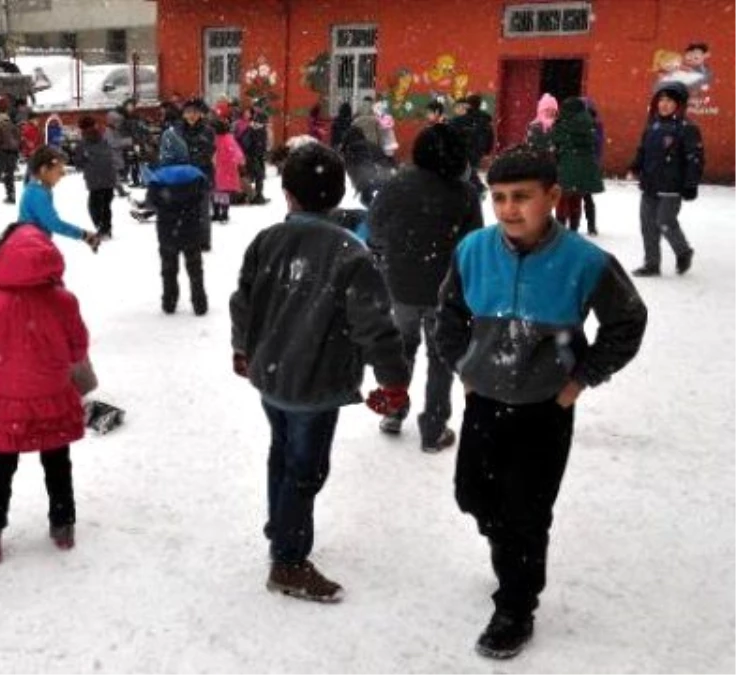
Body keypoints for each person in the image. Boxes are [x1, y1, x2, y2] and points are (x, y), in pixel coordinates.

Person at [435, 145, 647, 659]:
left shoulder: (586, 261)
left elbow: (627, 322)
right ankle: (503, 539)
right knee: (473, 495)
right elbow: (447, 316)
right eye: (499, 197)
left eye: (522, 197)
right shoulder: (472, 251)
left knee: (527, 513)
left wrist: (579, 381)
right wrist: (464, 369)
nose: (509, 209)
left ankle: (516, 605)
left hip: (544, 411)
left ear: (552, 196)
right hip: (484, 401)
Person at [230, 142, 411, 603]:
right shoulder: (351, 254)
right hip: (316, 384)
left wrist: (242, 348)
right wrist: (394, 380)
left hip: (272, 376)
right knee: (305, 468)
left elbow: (243, 303)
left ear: (287, 195)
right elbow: (376, 326)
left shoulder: (268, 241)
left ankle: (281, 521)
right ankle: (288, 560)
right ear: (337, 195)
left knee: (282, 450)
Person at [0, 223, 92, 564]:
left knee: (1, 467)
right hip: (53, 395)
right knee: (57, 462)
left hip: (7, 400)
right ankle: (63, 525)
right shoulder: (64, 300)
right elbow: (78, 347)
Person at [368, 123, 483, 450]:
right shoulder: (464, 194)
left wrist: (396, 247)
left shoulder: (397, 184)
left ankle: (393, 410)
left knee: (401, 349)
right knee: (441, 357)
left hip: (400, 285)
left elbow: (374, 226)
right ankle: (433, 429)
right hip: (444, 291)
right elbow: (474, 244)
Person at [628, 81, 703, 277]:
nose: (664, 104)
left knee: (664, 221)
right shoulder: (652, 125)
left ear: (679, 104)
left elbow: (694, 158)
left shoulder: (687, 128)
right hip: (650, 184)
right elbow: (642, 150)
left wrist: (690, 184)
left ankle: (683, 251)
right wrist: (636, 165)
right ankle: (652, 264)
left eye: (669, 100)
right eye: (661, 100)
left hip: (672, 186)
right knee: (647, 224)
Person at [143, 126, 209, 315]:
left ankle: (169, 301)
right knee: (195, 268)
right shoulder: (195, 173)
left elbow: (152, 202)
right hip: (191, 227)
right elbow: (203, 195)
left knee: (168, 268)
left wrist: (167, 202)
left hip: (167, 230)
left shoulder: (157, 177)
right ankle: (200, 302)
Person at [18, 146, 101, 250]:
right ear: (44, 170)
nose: (63, 174)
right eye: (59, 170)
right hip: (31, 248)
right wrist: (83, 235)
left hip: (33, 244)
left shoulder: (37, 188)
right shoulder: (37, 193)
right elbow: (54, 224)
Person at [550, 97, 604, 235]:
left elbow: (555, 139)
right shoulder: (589, 123)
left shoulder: (564, 124)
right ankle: (574, 228)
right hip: (585, 169)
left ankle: (560, 229)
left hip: (567, 167)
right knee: (578, 199)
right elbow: (596, 143)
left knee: (563, 199)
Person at [179, 99, 216, 250]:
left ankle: (203, 241)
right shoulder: (179, 130)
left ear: (200, 114)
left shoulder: (207, 130)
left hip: (202, 175)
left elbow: (207, 152)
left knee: (202, 210)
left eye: (194, 112)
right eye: (188, 112)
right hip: (183, 177)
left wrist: (189, 159)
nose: (191, 115)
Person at [75, 116, 119, 240]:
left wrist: (85, 164)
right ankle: (107, 229)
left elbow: (78, 162)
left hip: (95, 179)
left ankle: (101, 227)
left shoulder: (82, 143)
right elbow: (111, 154)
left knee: (94, 205)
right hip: (109, 176)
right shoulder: (103, 138)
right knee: (106, 205)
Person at [450, 94, 495, 198]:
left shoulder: (461, 120)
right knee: (469, 169)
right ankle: (476, 189)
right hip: (478, 150)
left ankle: (477, 189)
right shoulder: (485, 120)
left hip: (465, 149)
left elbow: (452, 132)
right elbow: (490, 136)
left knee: (465, 169)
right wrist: (486, 151)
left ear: (468, 105)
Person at [338, 127, 394, 208]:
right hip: (382, 178)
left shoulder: (349, 149)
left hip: (366, 182)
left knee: (366, 201)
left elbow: (353, 169)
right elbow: (387, 161)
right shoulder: (372, 145)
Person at [212, 119, 245, 224]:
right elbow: (237, 153)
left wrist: (238, 161)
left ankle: (221, 213)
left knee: (219, 192)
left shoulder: (224, 139)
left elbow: (236, 153)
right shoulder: (227, 138)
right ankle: (221, 213)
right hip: (223, 169)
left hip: (223, 168)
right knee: (221, 192)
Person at [581, 98, 605, 235]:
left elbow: (599, 145)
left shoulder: (596, 126)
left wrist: (595, 163)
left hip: (588, 165)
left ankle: (591, 225)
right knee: (575, 197)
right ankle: (571, 224)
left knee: (586, 197)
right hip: (579, 164)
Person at [0, 112, 21, 205]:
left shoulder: (1, 128)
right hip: (13, 155)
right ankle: (11, 196)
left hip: (2, 154)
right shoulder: (14, 128)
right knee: (9, 176)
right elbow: (19, 141)